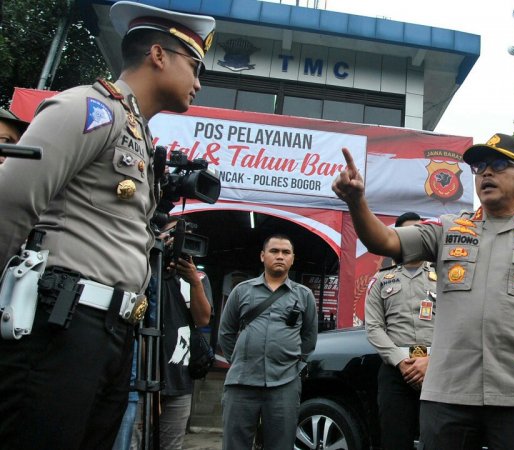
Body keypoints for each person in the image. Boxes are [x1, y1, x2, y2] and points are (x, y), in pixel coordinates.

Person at [0, 2, 215, 448]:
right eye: (194, 66)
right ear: (159, 55)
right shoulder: (89, 107)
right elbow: (13, 199)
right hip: (62, 325)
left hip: (112, 333)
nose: (197, 82)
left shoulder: (137, 131)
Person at [332, 133, 514, 450]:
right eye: (479, 167)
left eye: (499, 164)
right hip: (448, 395)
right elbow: (384, 241)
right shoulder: (448, 228)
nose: (486, 173)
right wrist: (356, 202)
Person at [218, 234, 318, 450]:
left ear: (292, 259)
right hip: (241, 383)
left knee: (281, 444)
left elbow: (309, 338)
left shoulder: (304, 295)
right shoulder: (242, 291)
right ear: (263, 256)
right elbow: (226, 332)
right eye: (274, 251)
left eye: (286, 252)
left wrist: (294, 364)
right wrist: (239, 360)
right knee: (234, 445)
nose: (280, 256)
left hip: (285, 384)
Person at [365, 211, 436, 450]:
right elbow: (374, 328)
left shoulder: (445, 277)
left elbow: (457, 323)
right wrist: (400, 361)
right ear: (397, 237)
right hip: (395, 372)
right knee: (394, 440)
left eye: (419, 232)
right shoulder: (381, 279)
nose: (414, 238)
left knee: (442, 439)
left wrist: (432, 360)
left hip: (438, 370)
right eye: (408, 233)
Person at [159, 220, 213, 450]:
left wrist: (193, 282)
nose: (181, 243)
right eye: (176, 236)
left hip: (179, 379)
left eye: (187, 238)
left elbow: (203, 319)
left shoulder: (197, 278)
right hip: (142, 376)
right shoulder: (146, 265)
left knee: (170, 445)